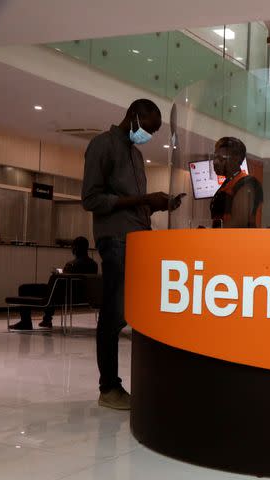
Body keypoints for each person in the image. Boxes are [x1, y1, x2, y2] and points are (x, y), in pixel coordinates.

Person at [82, 98, 184, 410]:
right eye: (149, 128)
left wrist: (156, 203)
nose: (149, 135)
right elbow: (91, 199)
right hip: (115, 240)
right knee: (113, 313)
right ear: (134, 115)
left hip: (139, 241)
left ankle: (130, 383)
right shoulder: (103, 145)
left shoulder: (136, 154)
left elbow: (132, 200)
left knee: (132, 312)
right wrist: (142, 198)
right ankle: (109, 387)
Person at [10, 237, 98, 331]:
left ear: (75, 248)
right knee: (53, 289)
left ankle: (26, 322)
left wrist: (57, 274)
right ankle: (47, 319)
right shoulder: (94, 264)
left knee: (24, 288)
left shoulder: (72, 264)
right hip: (81, 296)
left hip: (64, 295)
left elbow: (61, 283)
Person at [209, 137, 263, 228]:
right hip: (222, 239)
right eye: (215, 157)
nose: (215, 162)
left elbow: (239, 222)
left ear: (236, 159)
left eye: (221, 158)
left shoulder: (247, 183)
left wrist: (209, 232)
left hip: (239, 240)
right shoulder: (227, 183)